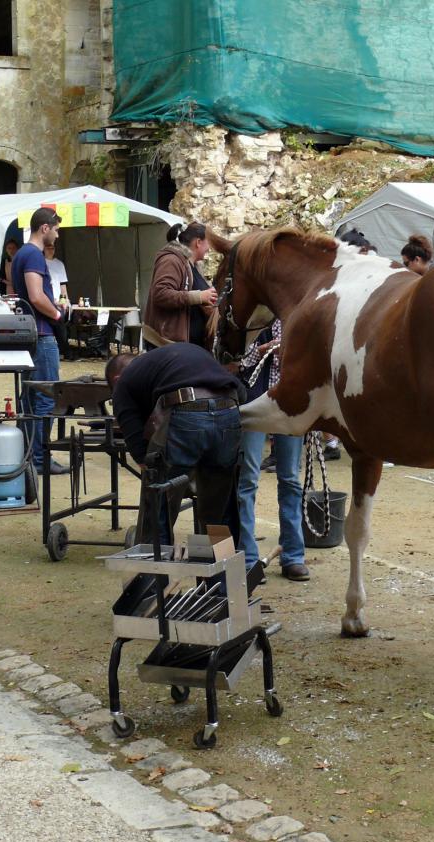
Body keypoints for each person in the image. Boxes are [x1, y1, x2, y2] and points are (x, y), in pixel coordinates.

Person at [106, 343, 245, 544]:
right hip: (229, 409)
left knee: (158, 498)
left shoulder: (124, 383)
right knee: (219, 508)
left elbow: (139, 448)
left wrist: (158, 464)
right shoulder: (180, 356)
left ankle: (154, 567)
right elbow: (240, 392)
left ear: (116, 380)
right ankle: (218, 569)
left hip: (186, 411)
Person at [236, 319, 307, 581]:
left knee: (290, 479)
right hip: (256, 403)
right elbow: (237, 362)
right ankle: (248, 559)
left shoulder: (303, 314)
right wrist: (263, 349)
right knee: (247, 481)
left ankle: (293, 556)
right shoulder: (257, 316)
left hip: (289, 404)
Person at [11, 207, 68, 476]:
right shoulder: (33, 254)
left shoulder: (21, 254)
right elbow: (35, 296)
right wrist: (57, 313)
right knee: (45, 398)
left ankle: (25, 456)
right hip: (41, 334)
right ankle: (40, 460)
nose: (57, 236)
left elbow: (20, 296)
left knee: (29, 399)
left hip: (28, 333)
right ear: (44, 228)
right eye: (56, 229)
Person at [141, 222, 217, 351]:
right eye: (208, 243)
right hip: (166, 346)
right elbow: (161, 294)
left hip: (188, 347)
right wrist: (199, 296)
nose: (210, 248)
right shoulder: (171, 260)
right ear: (198, 242)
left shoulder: (193, 266)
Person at [42, 242, 71, 356]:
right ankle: (63, 349)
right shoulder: (41, 262)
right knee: (56, 322)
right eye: (48, 248)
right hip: (46, 299)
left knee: (60, 321)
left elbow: (63, 286)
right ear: (44, 249)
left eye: (52, 248)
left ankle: (63, 349)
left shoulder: (59, 264)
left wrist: (65, 301)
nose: (50, 250)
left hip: (59, 301)